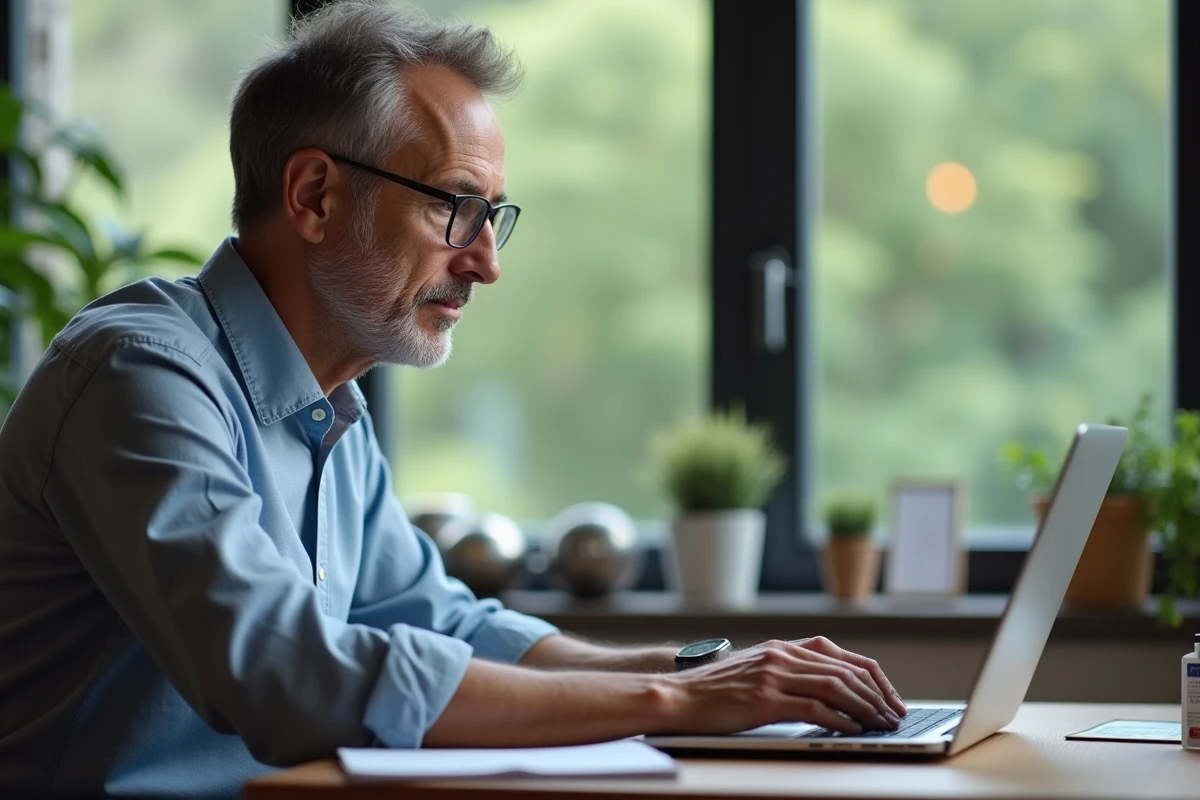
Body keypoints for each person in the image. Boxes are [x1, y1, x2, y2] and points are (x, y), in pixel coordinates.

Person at [0, 2, 905, 798]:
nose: (486, 261)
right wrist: (675, 701)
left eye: (493, 216)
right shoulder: (140, 375)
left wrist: (705, 670)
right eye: (455, 207)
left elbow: (445, 622)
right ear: (315, 195)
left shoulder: (331, 411)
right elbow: (284, 673)